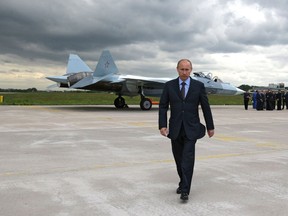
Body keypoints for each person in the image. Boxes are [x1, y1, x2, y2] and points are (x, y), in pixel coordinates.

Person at [158, 59, 215, 201]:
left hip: (192, 128)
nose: (184, 72)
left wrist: (210, 126)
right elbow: (163, 106)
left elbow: (205, 107)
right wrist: (162, 125)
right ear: (177, 69)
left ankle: (185, 190)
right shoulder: (169, 86)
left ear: (191, 70)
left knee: (187, 159)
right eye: (182, 69)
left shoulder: (198, 86)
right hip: (175, 129)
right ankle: (183, 181)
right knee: (178, 159)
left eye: (187, 69)